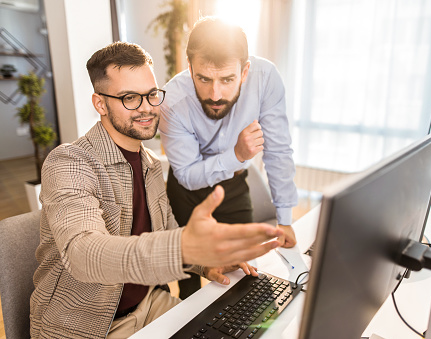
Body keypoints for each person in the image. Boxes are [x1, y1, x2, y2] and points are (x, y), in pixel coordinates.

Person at [29, 41, 283, 339]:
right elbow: (83, 254)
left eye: (151, 95)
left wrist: (205, 261)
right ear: (100, 104)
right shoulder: (69, 162)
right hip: (86, 325)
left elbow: (165, 230)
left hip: (148, 305)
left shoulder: (149, 164)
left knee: (239, 329)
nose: (147, 107)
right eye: (130, 98)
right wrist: (182, 247)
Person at [159, 16, 299, 299]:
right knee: (189, 279)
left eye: (227, 79)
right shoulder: (172, 100)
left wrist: (284, 219)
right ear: (190, 68)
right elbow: (187, 174)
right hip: (186, 189)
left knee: (246, 269)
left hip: (233, 186)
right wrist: (236, 155)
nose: (215, 93)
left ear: (245, 71)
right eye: (203, 78)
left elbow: (278, 150)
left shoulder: (265, 78)